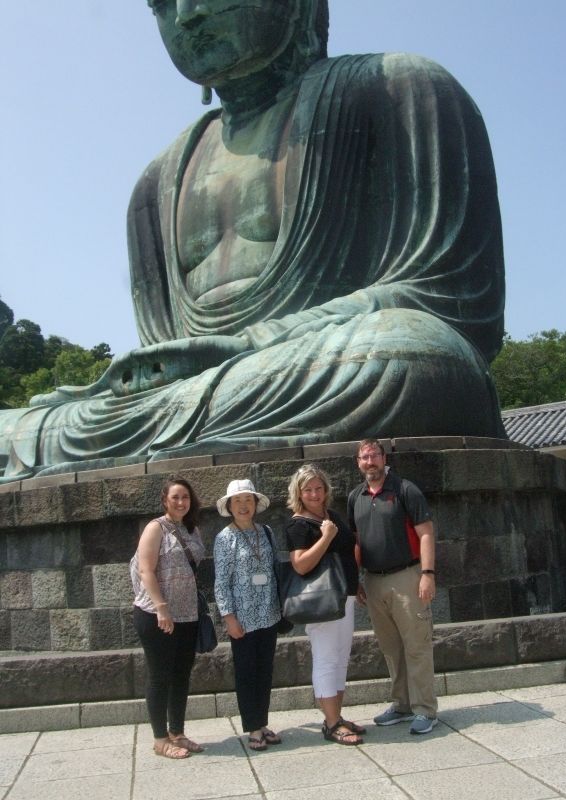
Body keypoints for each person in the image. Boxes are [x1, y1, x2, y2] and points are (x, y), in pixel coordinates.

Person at [0, 0, 505, 482]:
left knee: (415, 356)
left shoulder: (397, 89)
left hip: (328, 363)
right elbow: (161, 357)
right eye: (161, 3)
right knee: (13, 430)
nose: (188, 15)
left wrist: (248, 344)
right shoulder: (155, 183)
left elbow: (456, 302)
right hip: (210, 394)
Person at [348, 439, 438, 735]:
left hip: (406, 576)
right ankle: (401, 704)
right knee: (390, 647)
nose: (369, 460)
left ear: (383, 458)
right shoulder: (355, 497)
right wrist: (355, 580)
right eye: (364, 456)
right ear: (358, 462)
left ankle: (425, 709)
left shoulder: (404, 489)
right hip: (373, 580)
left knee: (417, 645)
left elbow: (425, 533)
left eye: (374, 455)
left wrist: (427, 573)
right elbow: (356, 542)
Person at [285, 464, 362, 745]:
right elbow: (301, 565)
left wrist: (358, 585)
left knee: (341, 658)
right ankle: (331, 723)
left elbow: (346, 553)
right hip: (323, 601)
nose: (315, 494)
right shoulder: (298, 524)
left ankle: (337, 716)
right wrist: (326, 536)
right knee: (327, 658)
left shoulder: (333, 516)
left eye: (318, 488)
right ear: (299, 493)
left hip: (345, 594)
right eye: (308, 490)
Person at [130, 475, 206, 758]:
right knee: (160, 675)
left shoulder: (192, 530)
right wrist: (161, 606)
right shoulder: (155, 528)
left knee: (181, 675)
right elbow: (146, 570)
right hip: (155, 613)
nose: (181, 502)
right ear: (165, 500)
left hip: (187, 613)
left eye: (185, 497)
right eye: (175, 497)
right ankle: (160, 739)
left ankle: (177, 732)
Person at [213, 479, 282, 751]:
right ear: (230, 506)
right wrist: (228, 617)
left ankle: (262, 722)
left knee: (265, 670)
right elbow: (220, 582)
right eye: (238, 501)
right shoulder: (224, 538)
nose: (243, 506)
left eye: (248, 501)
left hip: (268, 612)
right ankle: (252, 727)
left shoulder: (265, 532)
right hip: (242, 618)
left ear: (256, 504)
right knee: (246, 672)